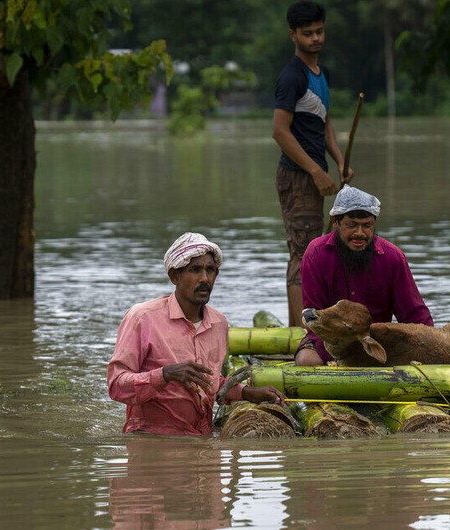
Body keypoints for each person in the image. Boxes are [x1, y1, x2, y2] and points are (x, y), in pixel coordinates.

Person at [107, 232, 285, 436]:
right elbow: (116, 385)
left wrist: (246, 392)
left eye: (210, 270)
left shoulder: (218, 323)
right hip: (150, 437)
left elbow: (209, 381)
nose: (204, 278)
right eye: (195, 270)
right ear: (175, 276)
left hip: (201, 438)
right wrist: (165, 374)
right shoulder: (142, 317)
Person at [272, 0, 354, 327]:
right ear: (293, 35)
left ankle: (312, 325)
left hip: (313, 173)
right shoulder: (292, 76)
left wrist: (340, 161)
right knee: (302, 255)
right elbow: (279, 131)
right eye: (308, 34)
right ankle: (297, 334)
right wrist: (316, 170)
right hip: (297, 177)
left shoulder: (322, 73)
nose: (315, 39)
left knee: (315, 251)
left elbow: (324, 124)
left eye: (319, 32)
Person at [295, 187, 433, 365]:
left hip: (377, 341)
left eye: (367, 225)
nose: (360, 233)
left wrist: (431, 344)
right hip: (330, 341)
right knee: (307, 361)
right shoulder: (315, 254)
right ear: (335, 222)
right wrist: (336, 355)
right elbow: (314, 321)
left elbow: (414, 314)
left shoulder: (393, 257)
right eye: (351, 225)